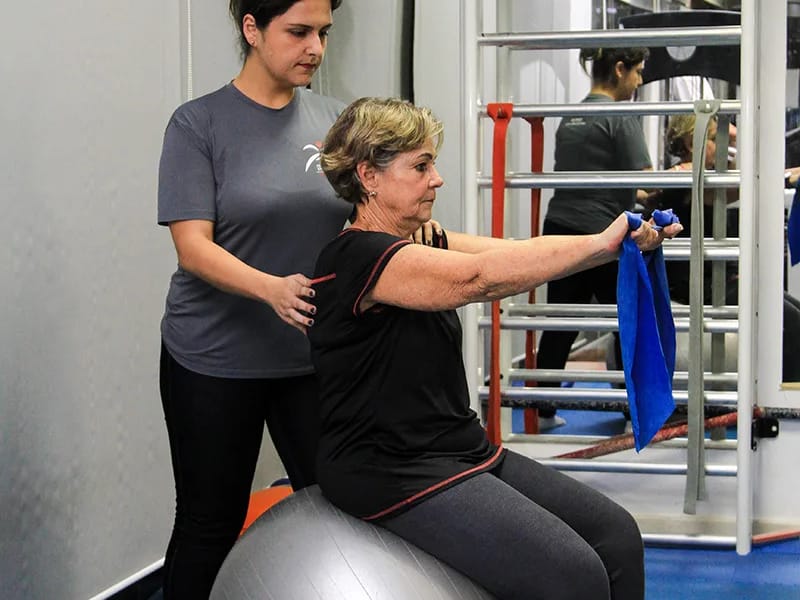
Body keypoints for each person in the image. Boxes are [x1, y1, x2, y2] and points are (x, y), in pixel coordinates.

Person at [309, 97, 682, 600]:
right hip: (389, 470)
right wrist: (600, 245)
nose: (437, 178)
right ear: (368, 177)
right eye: (420, 166)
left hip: (458, 450)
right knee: (574, 575)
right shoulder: (355, 256)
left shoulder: (424, 238)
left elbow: (512, 253)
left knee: (616, 536)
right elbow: (478, 279)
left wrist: (615, 243)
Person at [155, 1, 349, 597]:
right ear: (251, 29)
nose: (315, 47)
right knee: (208, 527)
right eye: (298, 32)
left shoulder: (338, 122)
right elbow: (193, 247)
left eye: (323, 33)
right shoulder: (197, 125)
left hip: (308, 360)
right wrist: (270, 288)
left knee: (338, 513)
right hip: (211, 360)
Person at [536, 47, 654, 428]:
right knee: (627, 319)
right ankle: (630, 409)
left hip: (559, 226)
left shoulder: (570, 115)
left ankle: (542, 408)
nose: (638, 82)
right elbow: (648, 181)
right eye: (637, 73)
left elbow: (595, 180)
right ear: (620, 70)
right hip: (602, 232)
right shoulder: (622, 115)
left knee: (560, 322)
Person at [661, 113, 800, 381]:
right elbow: (748, 185)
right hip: (700, 286)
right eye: (716, 139)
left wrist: (724, 133)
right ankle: (787, 409)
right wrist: (785, 176)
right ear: (692, 143)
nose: (726, 146)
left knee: (794, 311)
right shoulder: (688, 176)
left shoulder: (711, 175)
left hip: (721, 280)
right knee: (790, 323)